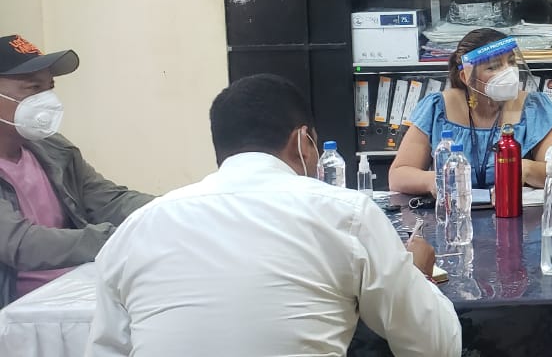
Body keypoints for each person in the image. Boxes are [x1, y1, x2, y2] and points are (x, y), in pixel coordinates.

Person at [85, 74, 460, 356]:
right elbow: (436, 346)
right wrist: (417, 275)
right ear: (303, 141)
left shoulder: (137, 228)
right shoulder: (345, 214)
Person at [0, 34, 152, 308]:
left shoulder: (53, 149)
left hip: (74, 291)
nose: (47, 100)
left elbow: (109, 201)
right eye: (33, 88)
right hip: (19, 313)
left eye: (49, 87)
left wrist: (175, 209)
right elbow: (20, 244)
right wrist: (119, 238)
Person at [389, 28, 552, 195]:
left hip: (515, 209)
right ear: (466, 77)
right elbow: (398, 175)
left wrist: (528, 169)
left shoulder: (534, 107)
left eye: (511, 62)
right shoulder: (437, 107)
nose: (509, 72)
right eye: (493, 67)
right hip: (455, 209)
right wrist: (434, 180)